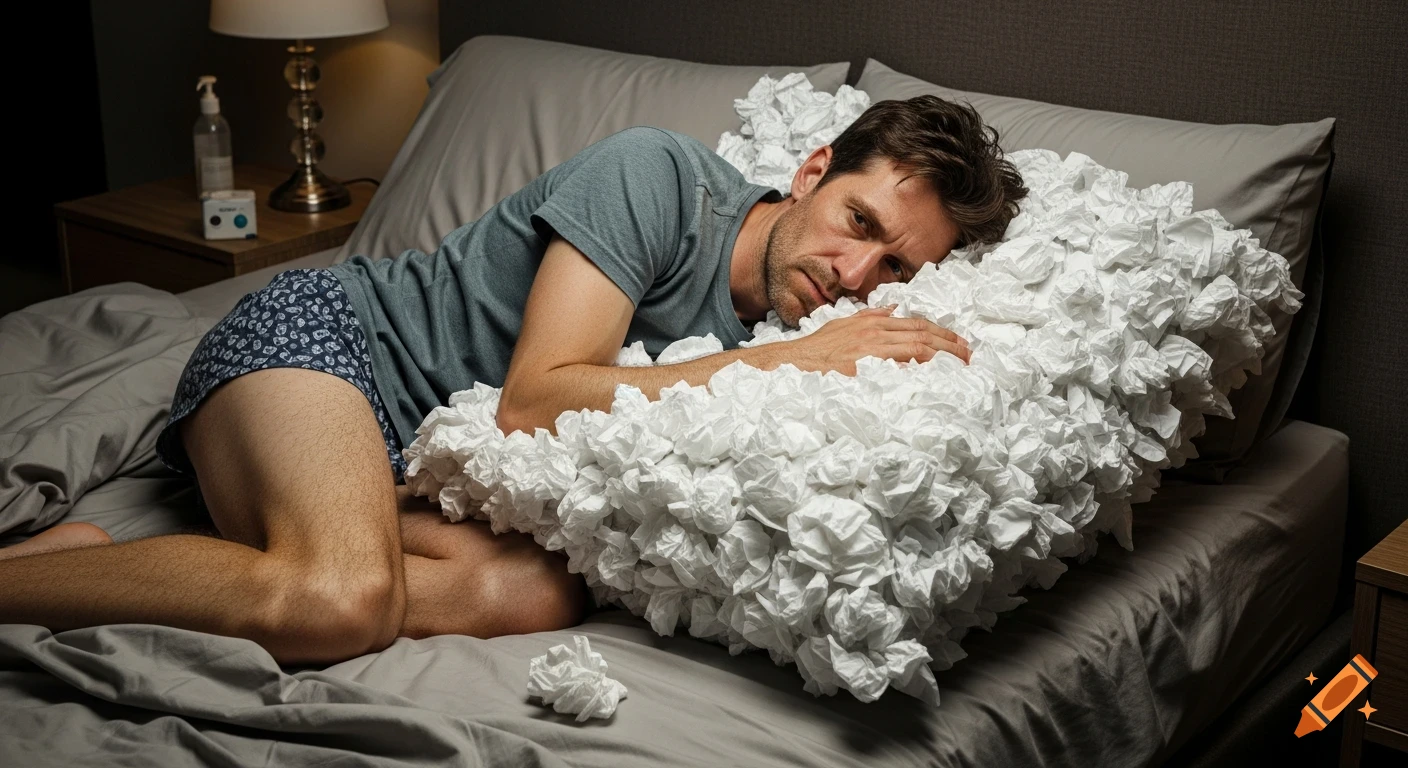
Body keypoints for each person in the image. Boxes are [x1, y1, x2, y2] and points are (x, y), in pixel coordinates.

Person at [0, 96, 1027, 664]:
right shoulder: (654, 174)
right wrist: (779, 359)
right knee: (344, 603)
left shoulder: (821, 319)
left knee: (535, 593)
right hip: (329, 344)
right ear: (810, 172)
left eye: (896, 266)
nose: (854, 277)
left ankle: (142, 555)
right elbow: (535, 397)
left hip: (430, 464)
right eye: (859, 224)